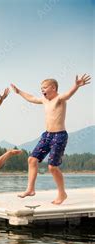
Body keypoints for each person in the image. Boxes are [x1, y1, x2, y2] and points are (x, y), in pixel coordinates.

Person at [12, 74, 91, 204]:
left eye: (44, 87)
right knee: (31, 159)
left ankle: (62, 194)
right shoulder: (44, 101)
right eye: (41, 88)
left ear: (53, 88)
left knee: (52, 167)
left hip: (59, 135)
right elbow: (31, 98)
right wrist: (19, 92)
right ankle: (30, 189)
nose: (42, 90)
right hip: (47, 135)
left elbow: (68, 95)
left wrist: (76, 86)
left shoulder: (59, 99)